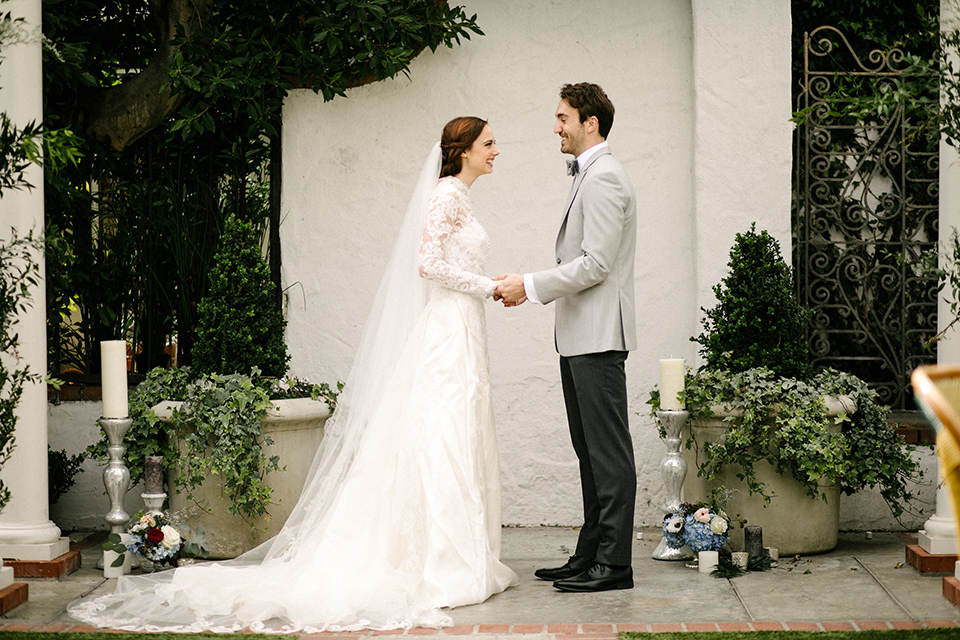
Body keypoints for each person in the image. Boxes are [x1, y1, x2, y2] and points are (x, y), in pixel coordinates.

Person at [68, 117, 518, 632]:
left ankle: (461, 553)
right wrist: (487, 284)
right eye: (489, 143)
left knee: (456, 433)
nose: (496, 151)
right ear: (462, 150)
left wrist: (486, 287)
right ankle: (441, 560)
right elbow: (427, 264)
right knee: (440, 434)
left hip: (463, 328)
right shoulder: (444, 196)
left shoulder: (459, 197)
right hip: (446, 330)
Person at [494, 83, 638, 593]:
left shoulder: (604, 179)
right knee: (588, 451)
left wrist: (529, 285)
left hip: (598, 336)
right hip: (579, 335)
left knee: (607, 453)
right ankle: (590, 553)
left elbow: (596, 264)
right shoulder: (589, 175)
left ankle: (614, 563)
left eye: (562, 118)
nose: (556, 127)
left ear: (589, 123)